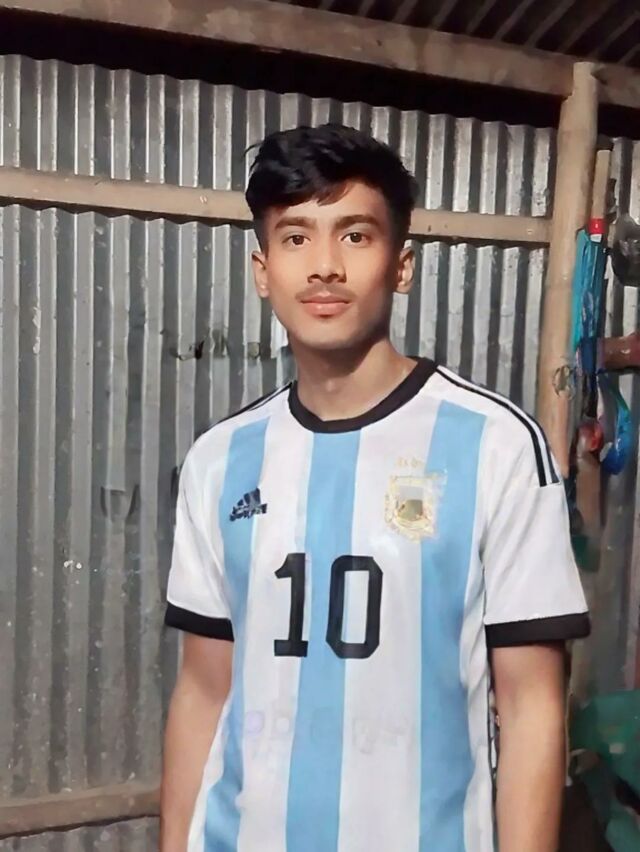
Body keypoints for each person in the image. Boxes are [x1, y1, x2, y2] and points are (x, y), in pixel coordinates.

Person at [160, 124, 590, 852]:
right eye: (296, 238)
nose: (324, 266)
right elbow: (203, 691)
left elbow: (532, 709)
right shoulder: (218, 461)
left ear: (402, 265)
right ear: (263, 269)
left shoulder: (496, 447)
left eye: (355, 236)